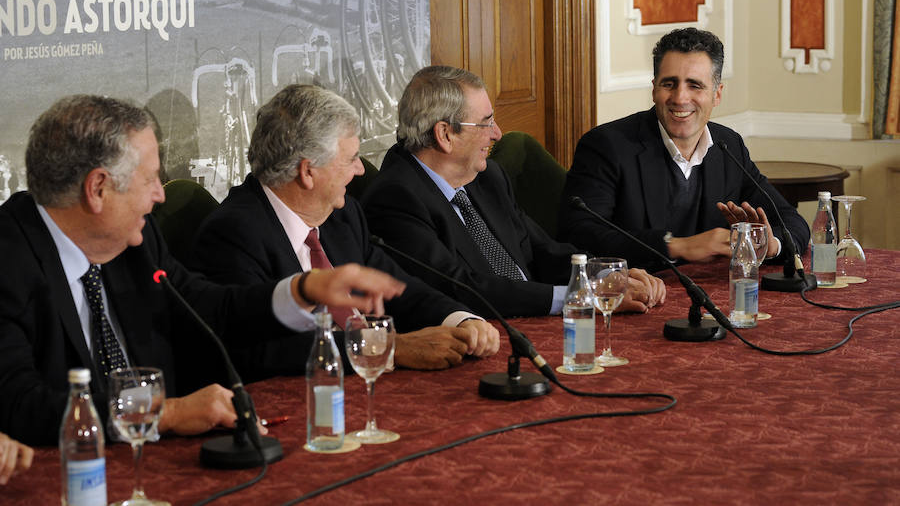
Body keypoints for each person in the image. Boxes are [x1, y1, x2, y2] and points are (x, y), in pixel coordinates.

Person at [0, 95, 404, 445]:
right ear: (98, 188)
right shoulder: (9, 261)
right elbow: (22, 406)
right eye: (150, 179)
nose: (161, 195)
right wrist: (167, 413)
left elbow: (210, 308)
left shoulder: (135, 243)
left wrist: (304, 289)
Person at [188, 84, 499, 376]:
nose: (360, 170)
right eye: (351, 159)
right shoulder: (233, 235)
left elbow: (398, 288)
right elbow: (260, 350)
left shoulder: (343, 216)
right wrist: (389, 348)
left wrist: (461, 319)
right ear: (308, 171)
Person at [362, 66, 665, 319]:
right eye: (486, 122)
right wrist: (580, 297)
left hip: (536, 324)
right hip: (487, 336)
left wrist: (603, 275)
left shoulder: (487, 176)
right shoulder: (396, 198)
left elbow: (541, 250)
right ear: (445, 134)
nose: (497, 133)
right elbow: (461, 287)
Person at [558, 27, 811, 270]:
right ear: (654, 89)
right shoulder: (607, 146)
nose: (680, 98)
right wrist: (676, 247)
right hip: (637, 296)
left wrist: (768, 245)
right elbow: (579, 234)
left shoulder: (729, 147)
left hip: (712, 297)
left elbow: (793, 222)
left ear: (717, 94)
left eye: (695, 85)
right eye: (669, 84)